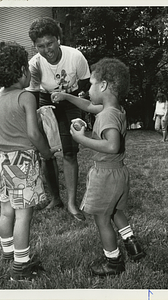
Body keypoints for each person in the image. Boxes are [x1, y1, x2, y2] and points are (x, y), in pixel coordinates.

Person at [51, 58, 145, 276]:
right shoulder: (115, 109)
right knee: (116, 211)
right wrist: (66, 96)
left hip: (106, 174)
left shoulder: (106, 115)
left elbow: (112, 145)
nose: (88, 89)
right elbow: (88, 105)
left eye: (91, 84)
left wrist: (80, 138)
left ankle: (113, 262)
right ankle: (132, 243)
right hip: (119, 172)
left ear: (102, 86)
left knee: (102, 218)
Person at [0, 41, 60, 281]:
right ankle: (22, 266)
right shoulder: (25, 97)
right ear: (21, 70)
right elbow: (33, 133)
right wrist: (47, 152)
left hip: (0, 161)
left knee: (6, 210)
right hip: (21, 162)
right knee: (23, 214)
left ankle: (8, 253)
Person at [27, 17, 90, 221]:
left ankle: (72, 203)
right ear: (35, 46)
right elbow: (33, 95)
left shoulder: (76, 57)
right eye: (40, 46)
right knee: (48, 152)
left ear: (58, 39)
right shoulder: (34, 64)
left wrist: (76, 102)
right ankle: (55, 198)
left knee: (70, 152)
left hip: (71, 100)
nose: (47, 50)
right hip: (46, 100)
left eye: (50, 43)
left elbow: (85, 88)